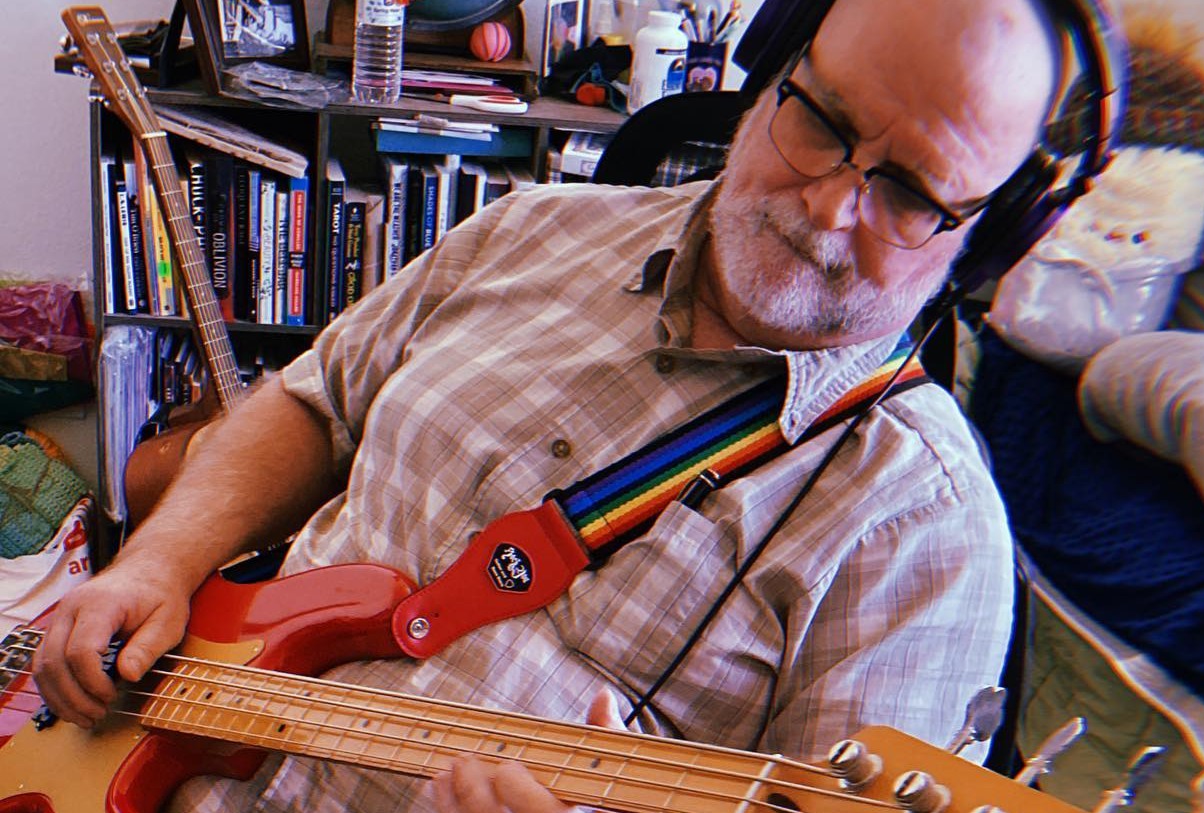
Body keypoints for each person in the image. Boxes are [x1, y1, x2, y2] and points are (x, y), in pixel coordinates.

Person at [34, 0, 1060, 810]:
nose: (832, 206)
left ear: (986, 233)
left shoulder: (926, 531)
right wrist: (158, 562)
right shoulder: (531, 227)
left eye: (912, 192)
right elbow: (316, 400)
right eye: (822, 121)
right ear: (767, 75)